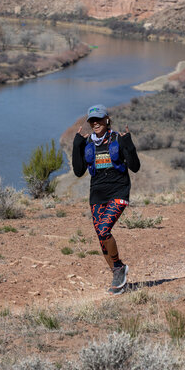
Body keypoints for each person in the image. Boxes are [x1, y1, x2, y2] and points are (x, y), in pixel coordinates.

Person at [72, 104, 140, 294]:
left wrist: (129, 144)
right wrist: (76, 145)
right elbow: (78, 171)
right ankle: (119, 281)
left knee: (104, 230)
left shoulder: (118, 138)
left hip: (118, 191)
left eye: (99, 119)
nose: (95, 123)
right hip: (97, 195)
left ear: (107, 119)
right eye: (92, 120)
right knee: (102, 239)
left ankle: (118, 267)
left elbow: (135, 167)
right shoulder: (87, 143)